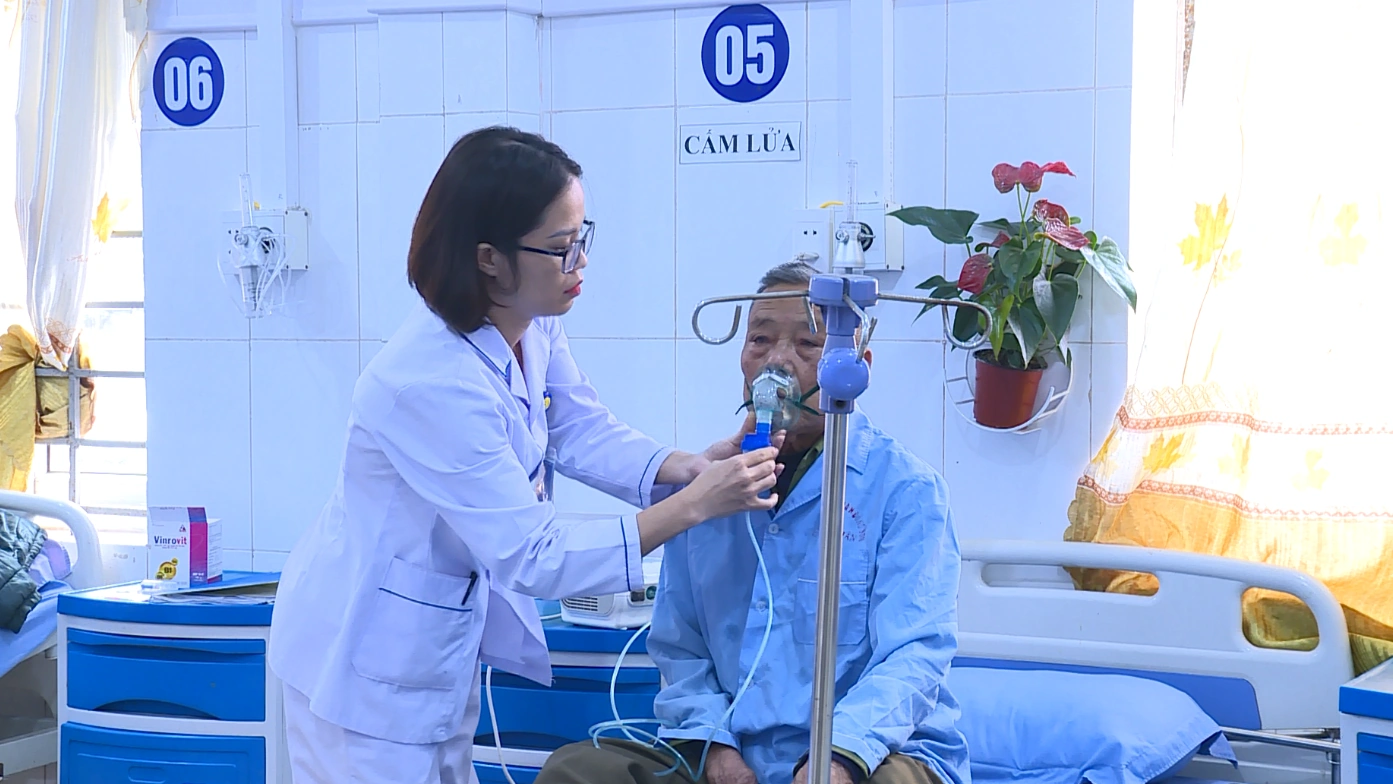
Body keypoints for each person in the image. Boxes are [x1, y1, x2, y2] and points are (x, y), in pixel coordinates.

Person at [267, 126, 784, 784]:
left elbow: (578, 427)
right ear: (489, 258)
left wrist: (684, 469)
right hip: (361, 666)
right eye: (561, 248)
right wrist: (691, 507)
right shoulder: (426, 381)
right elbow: (533, 555)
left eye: (582, 238)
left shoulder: (530, 324)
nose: (580, 263)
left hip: (429, 650)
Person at [536, 260, 969, 784]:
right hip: (729, 747)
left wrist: (838, 759)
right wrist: (716, 751)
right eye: (760, 340)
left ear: (855, 368)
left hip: (870, 752)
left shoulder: (905, 493)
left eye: (807, 344)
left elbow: (914, 656)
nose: (777, 361)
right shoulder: (706, 492)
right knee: (576, 771)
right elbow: (680, 648)